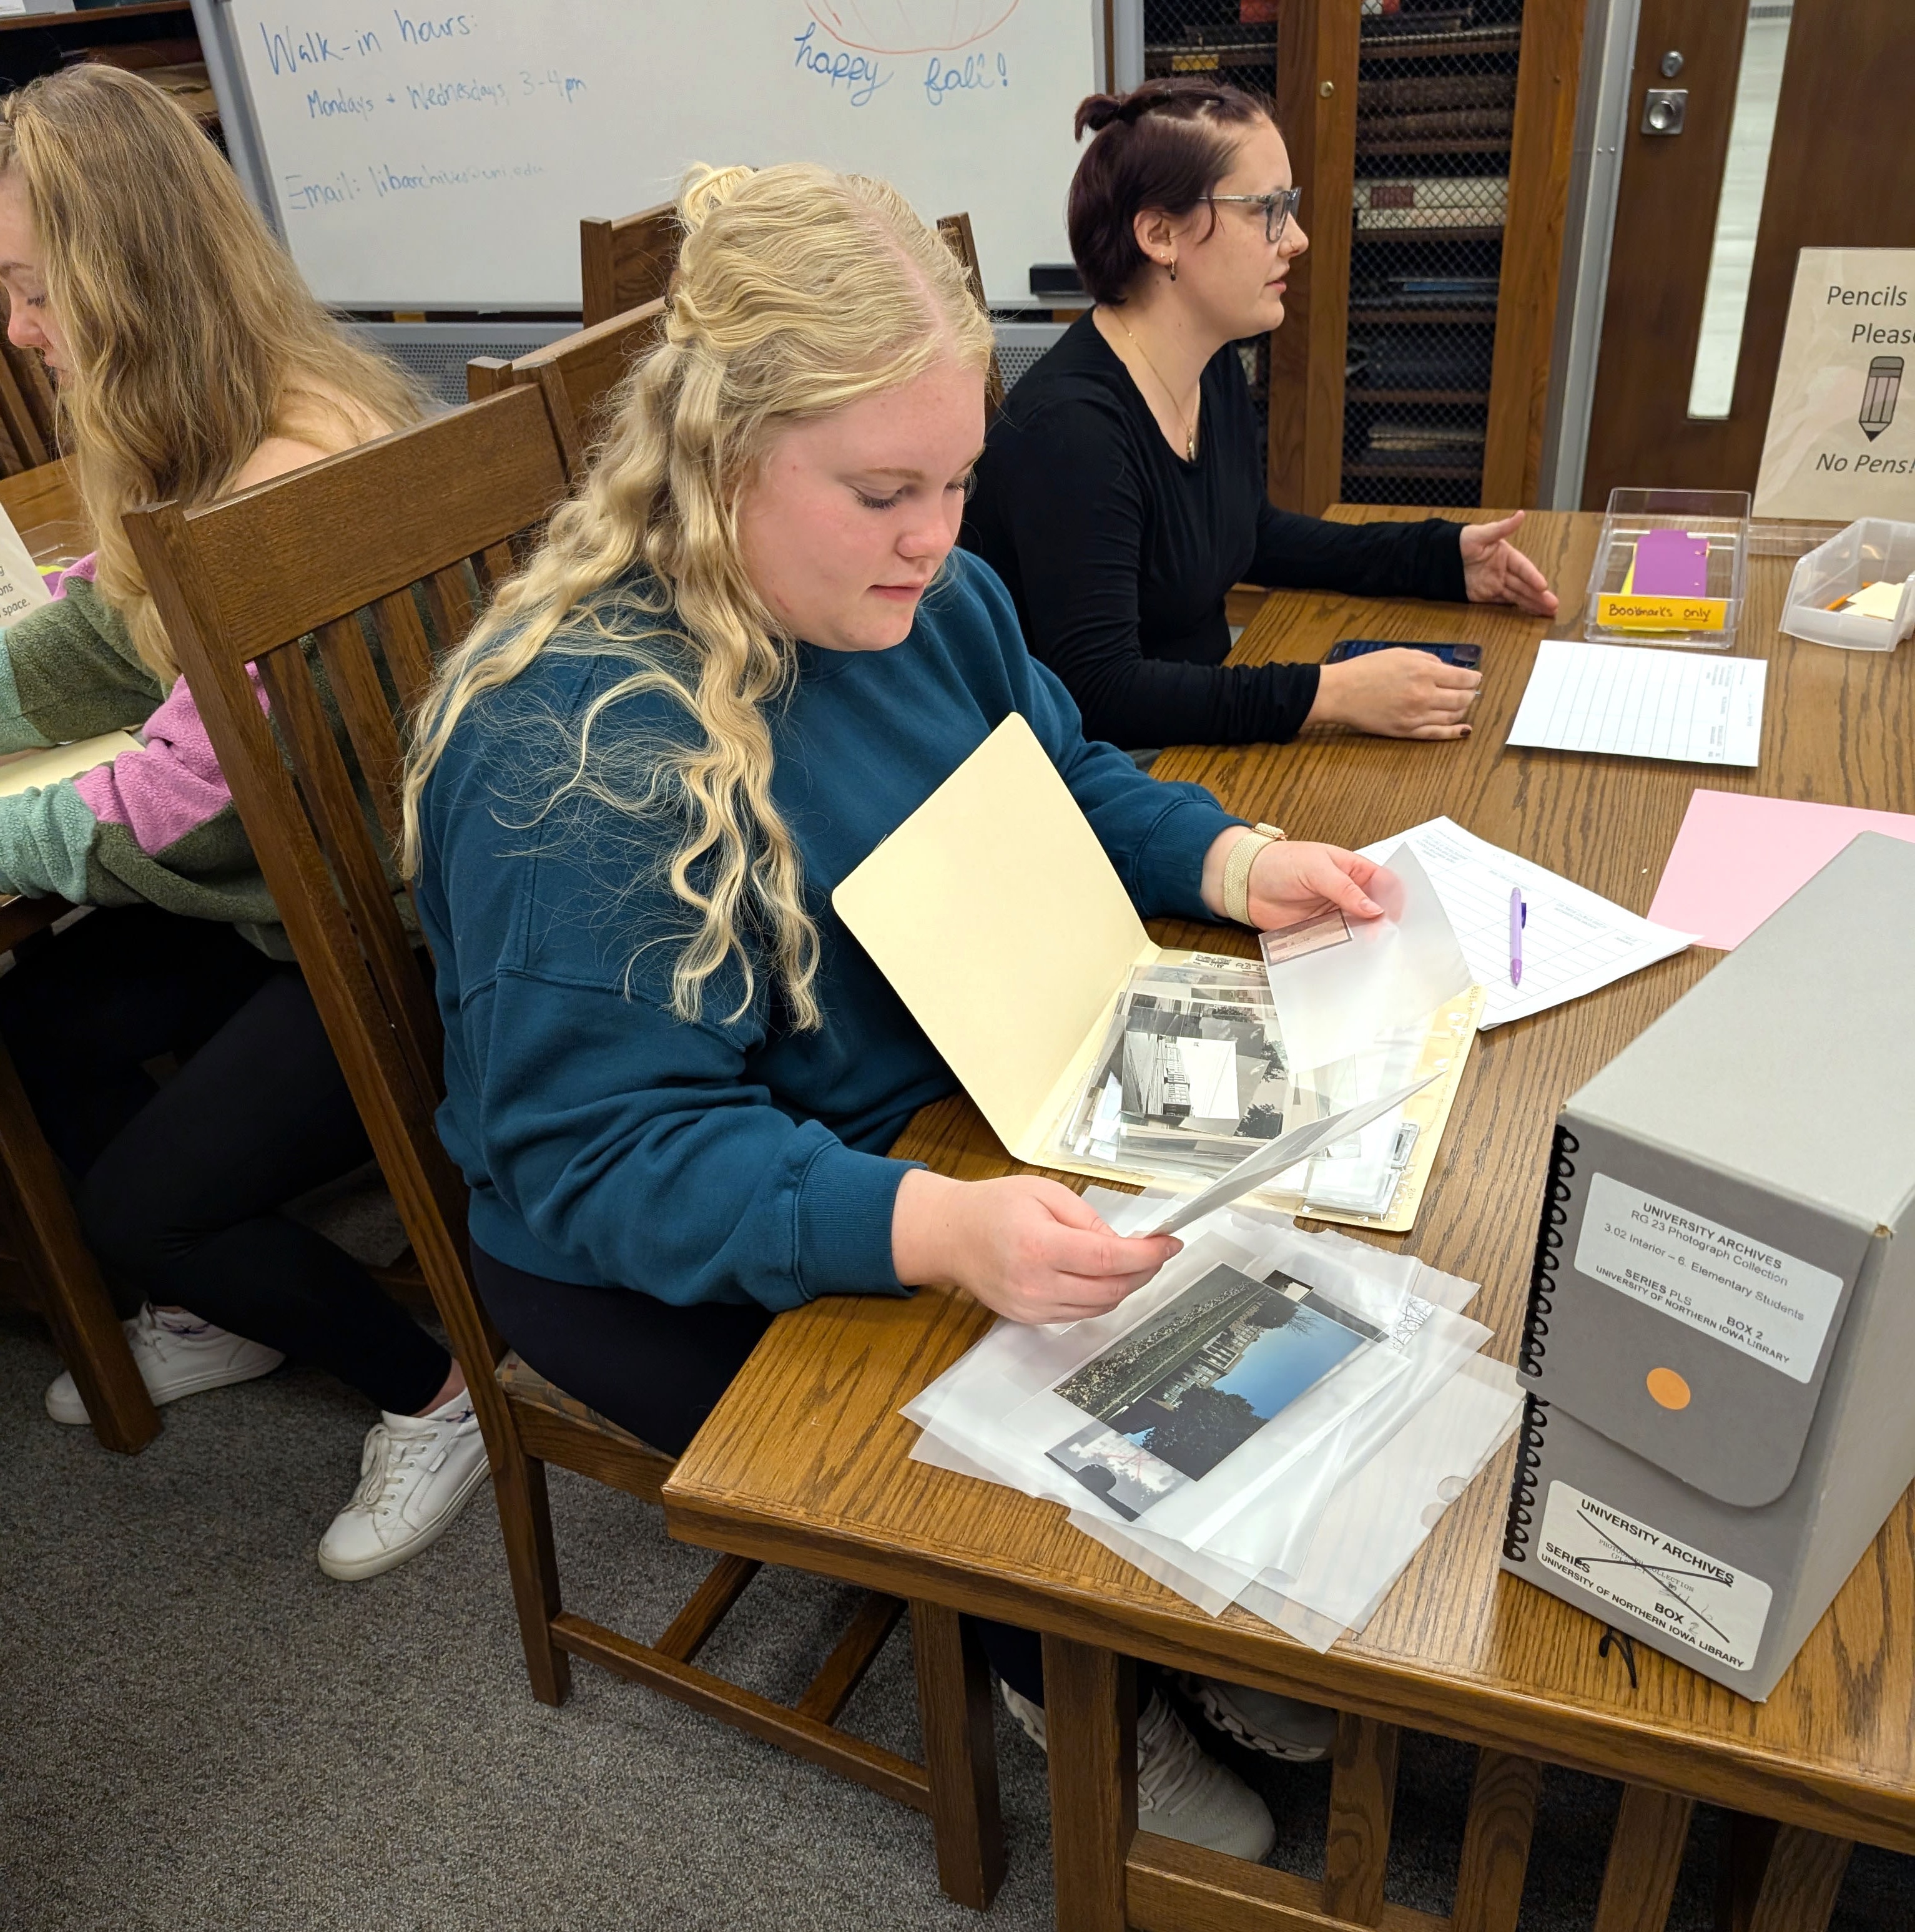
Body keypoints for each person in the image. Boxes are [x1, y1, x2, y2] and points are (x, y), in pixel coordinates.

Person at [405, 160, 1389, 1858]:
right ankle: (1061, 1660)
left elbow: (1058, 762)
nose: (936, 537)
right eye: (880, 490)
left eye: (955, 478)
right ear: (717, 464)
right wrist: (930, 1221)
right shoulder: (582, 751)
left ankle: (1157, 1617)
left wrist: (1230, 859)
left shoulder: (924, 594)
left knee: (1270, 1245)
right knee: (1064, 1371)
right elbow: (598, 1149)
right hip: (648, 1229)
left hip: (934, 1079)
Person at [0, 65, 487, 1581]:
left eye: (31, 292)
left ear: (123, 276)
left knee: (145, 1207)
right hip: (308, 898)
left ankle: (437, 1389)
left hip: (387, 941)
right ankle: (222, 1307)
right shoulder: (214, 423)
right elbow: (99, 636)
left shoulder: (276, 481)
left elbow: (161, 799)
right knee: (44, 1026)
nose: (16, 332)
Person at [962, 79, 1558, 755]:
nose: (1297, 239)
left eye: (1290, 206)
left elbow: (1250, 533)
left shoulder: (1206, 362)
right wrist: (1328, 694)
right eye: (1267, 210)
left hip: (1192, 737)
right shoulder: (1070, 431)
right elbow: (1100, 694)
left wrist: (1441, 559)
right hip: (1103, 773)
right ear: (1159, 234)